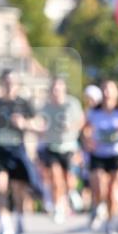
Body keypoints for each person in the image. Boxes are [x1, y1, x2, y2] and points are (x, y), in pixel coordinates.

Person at [0, 69, 44, 234]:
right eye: (6, 82)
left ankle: (20, 221)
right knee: (0, 185)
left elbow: (40, 125)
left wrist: (24, 123)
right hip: (0, 149)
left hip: (17, 148)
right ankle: (5, 225)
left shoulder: (24, 103)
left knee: (18, 190)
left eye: (12, 82)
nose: (9, 85)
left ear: (17, 84)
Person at [83, 79, 118, 234]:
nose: (107, 92)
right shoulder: (94, 111)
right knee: (99, 184)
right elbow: (85, 129)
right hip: (98, 154)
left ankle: (110, 223)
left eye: (110, 89)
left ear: (117, 93)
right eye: (104, 89)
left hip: (116, 154)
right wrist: (88, 141)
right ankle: (97, 207)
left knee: (113, 191)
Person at [38, 76, 84, 224]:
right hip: (52, 147)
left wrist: (71, 127)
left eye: (59, 88)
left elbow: (81, 120)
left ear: (64, 89)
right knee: (55, 178)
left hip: (69, 146)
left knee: (69, 179)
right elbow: (40, 123)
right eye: (54, 89)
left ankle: (71, 192)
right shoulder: (45, 107)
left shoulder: (72, 103)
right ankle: (58, 207)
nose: (56, 91)